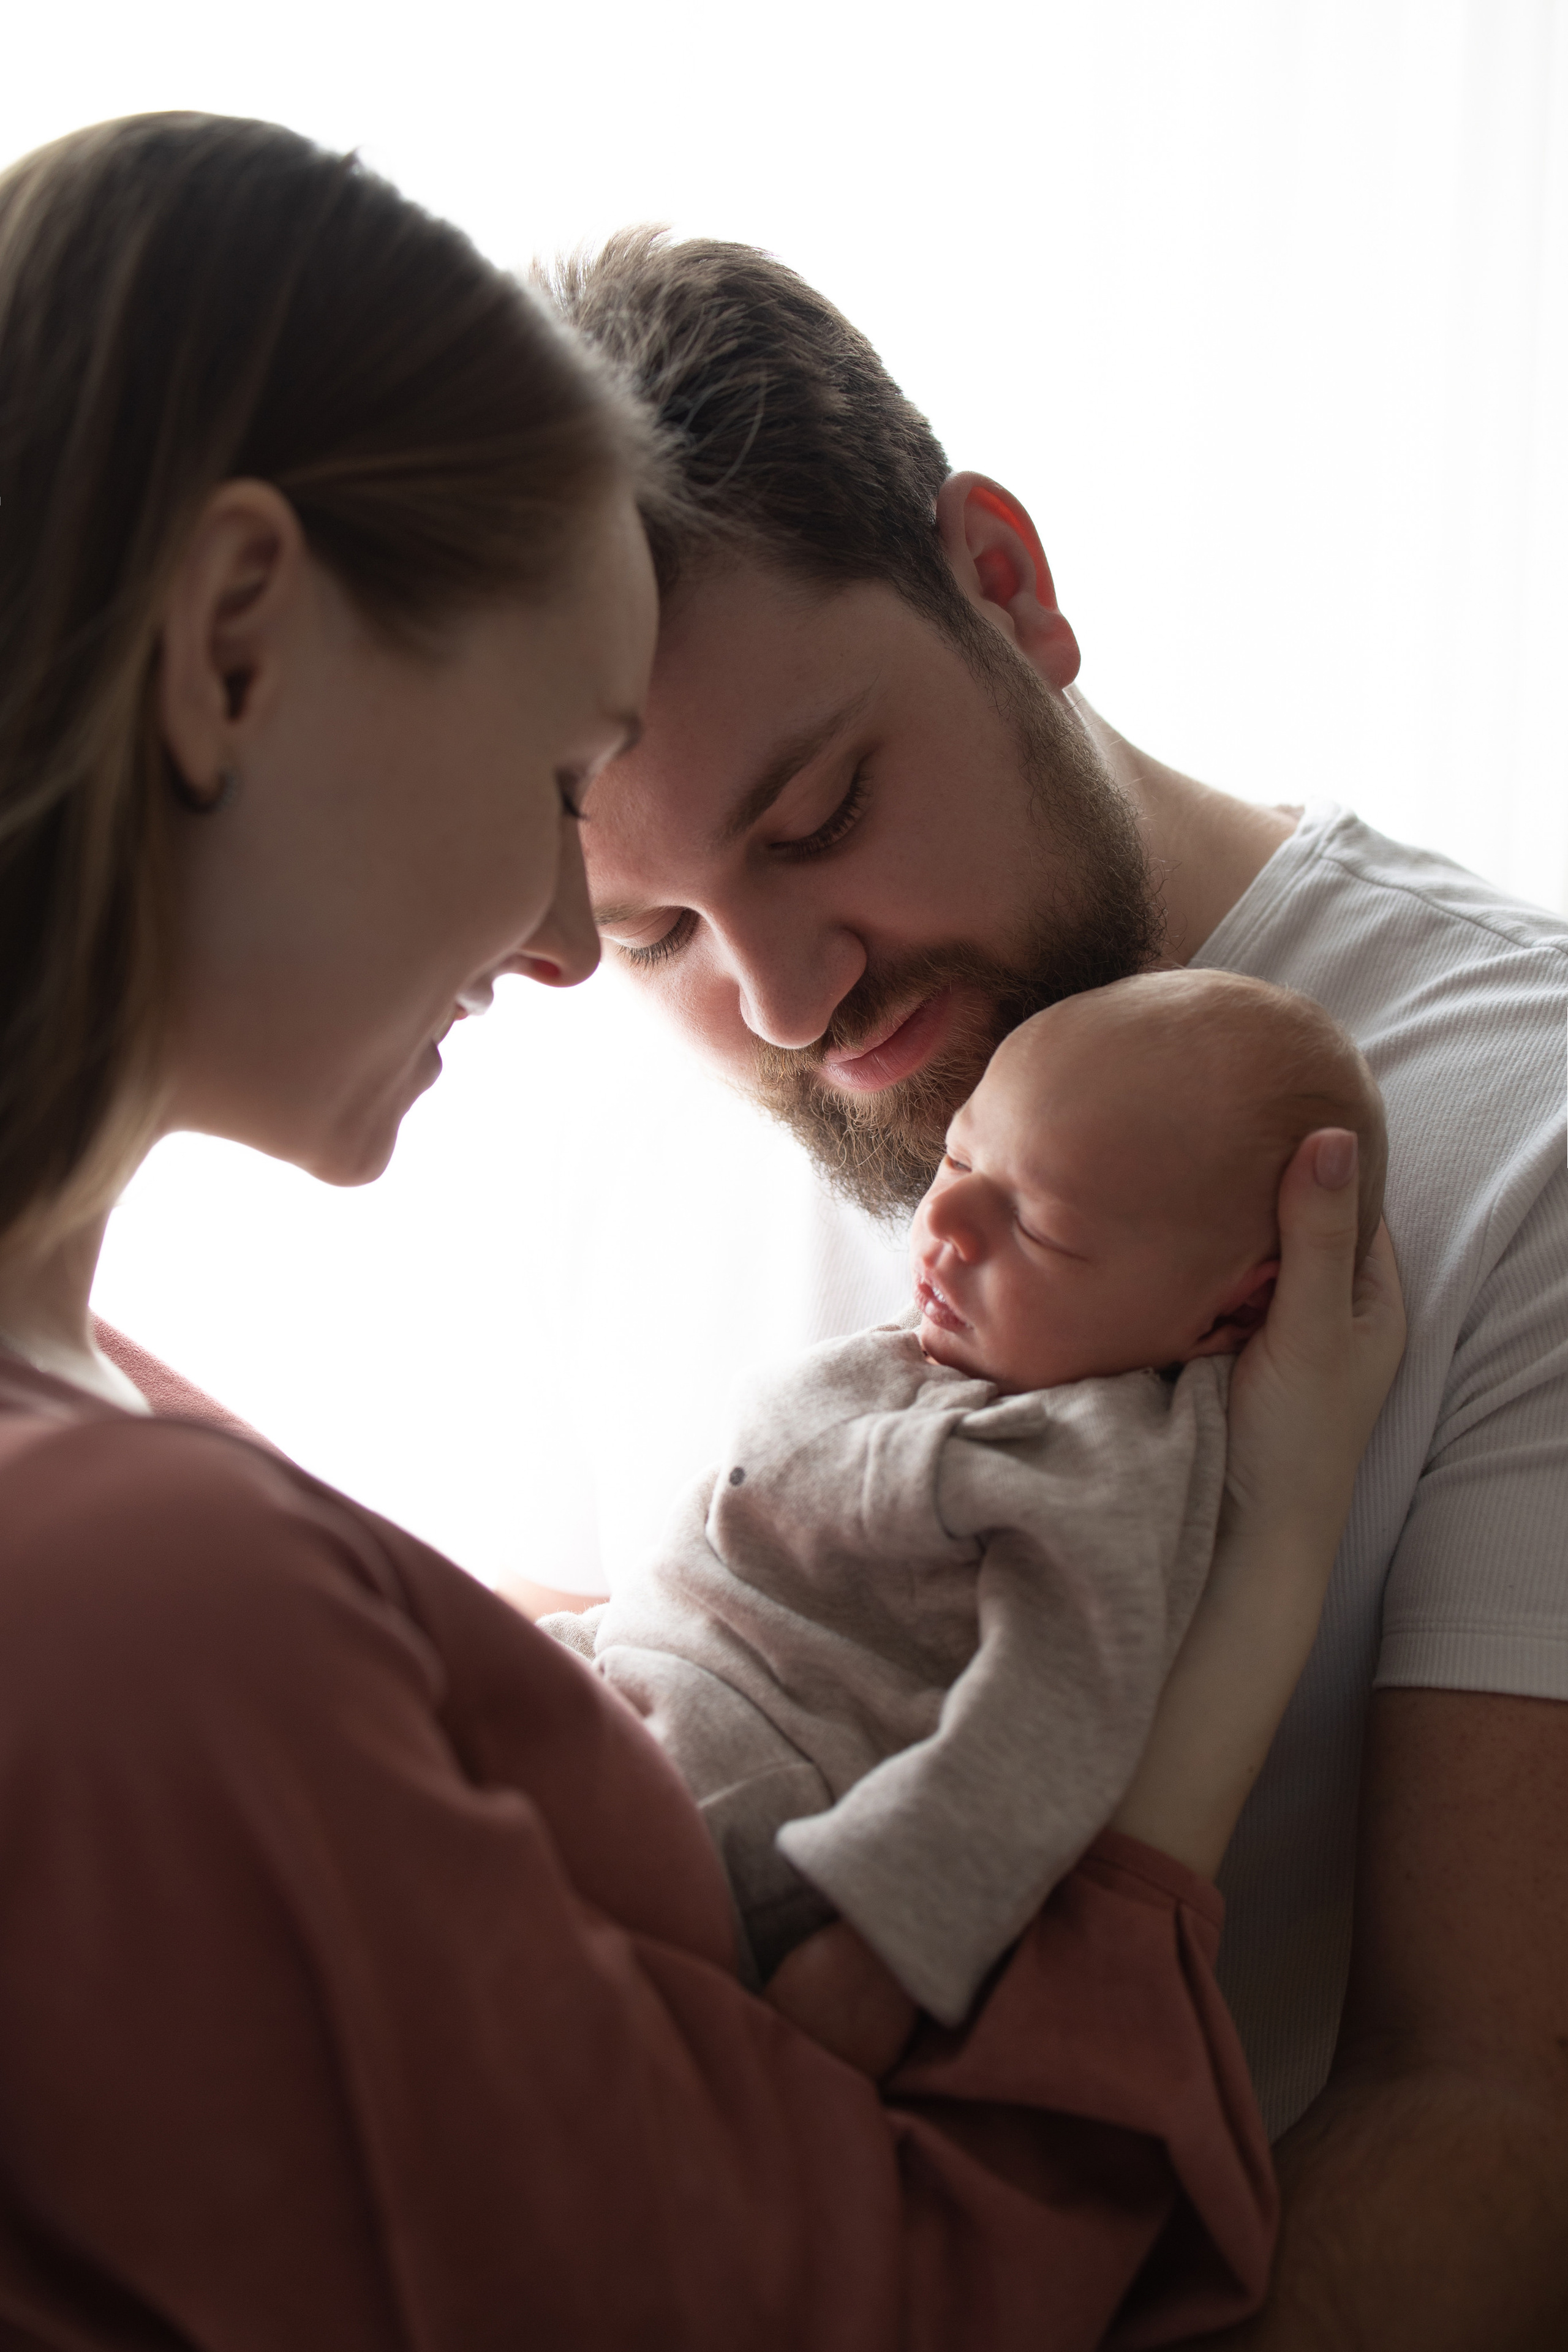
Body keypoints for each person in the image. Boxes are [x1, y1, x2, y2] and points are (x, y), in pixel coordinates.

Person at [0, 113, 1404, 2350]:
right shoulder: (141, 1582)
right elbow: (895, 2291)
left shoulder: (120, 1440)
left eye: (816, 812)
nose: (568, 948)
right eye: (566, 795)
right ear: (233, 648)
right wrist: (1253, 1596)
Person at [546, 231, 1568, 2347]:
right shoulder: (781, 1115)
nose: (789, 1001)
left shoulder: (1525, 1138)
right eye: (657, 936)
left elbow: (1491, 2118)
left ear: (1006, 584)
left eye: (820, 813)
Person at [546, 973, 1386, 2060]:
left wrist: (890, 1940)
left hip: (742, 1794)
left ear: (1234, 1309)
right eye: (958, 1157)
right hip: (622, 1671)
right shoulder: (959, 1345)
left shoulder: (1093, 1464)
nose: (942, 1222)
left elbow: (1047, 1725)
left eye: (1037, 1225)